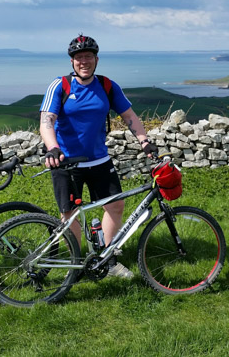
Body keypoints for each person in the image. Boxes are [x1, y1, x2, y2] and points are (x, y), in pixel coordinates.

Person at [39, 34, 158, 278]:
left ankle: (107, 258)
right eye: (79, 57)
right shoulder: (60, 85)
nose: (84, 61)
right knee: (69, 214)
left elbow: (130, 117)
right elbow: (46, 121)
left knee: (115, 206)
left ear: (96, 59)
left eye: (89, 57)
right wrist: (53, 148)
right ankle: (75, 264)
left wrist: (145, 141)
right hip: (66, 162)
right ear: (72, 62)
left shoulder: (107, 86)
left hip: (99, 160)